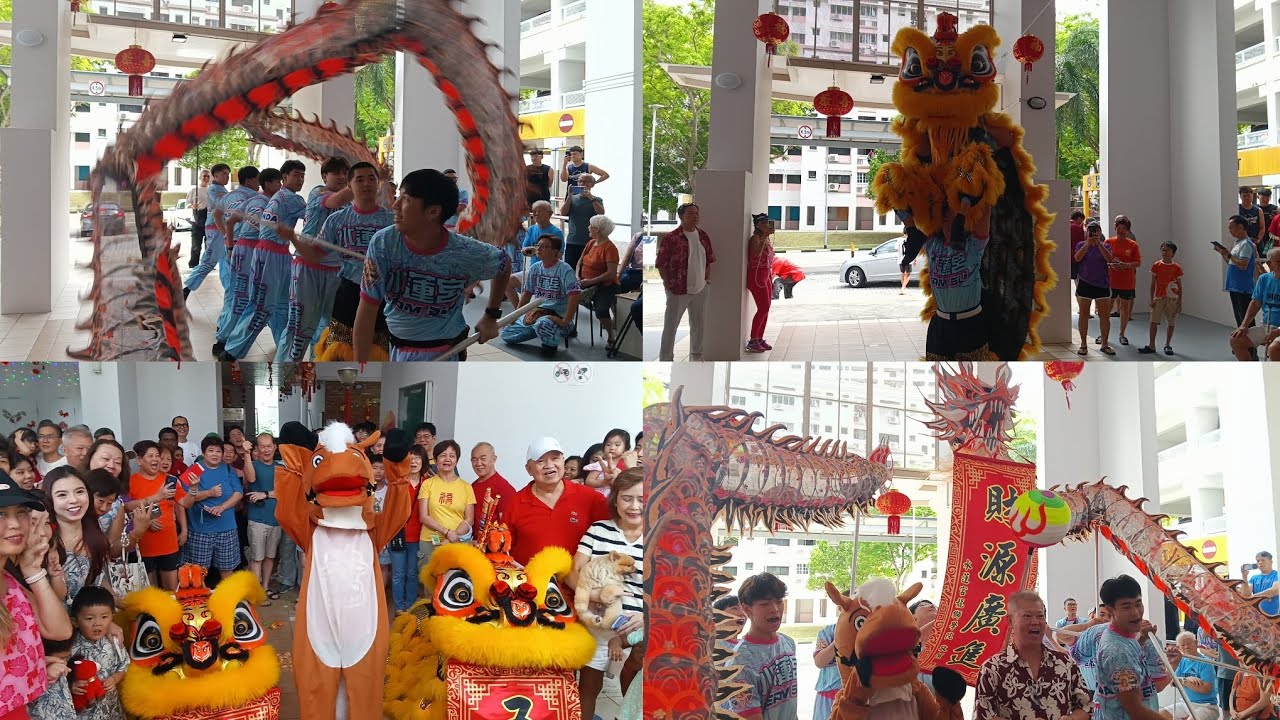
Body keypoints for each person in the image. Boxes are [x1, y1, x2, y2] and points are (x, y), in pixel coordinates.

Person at [355, 168, 511, 362]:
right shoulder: (383, 243)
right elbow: (367, 309)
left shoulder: (464, 252)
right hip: (396, 349)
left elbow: (504, 263)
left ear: (433, 211)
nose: (394, 205)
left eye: (405, 199)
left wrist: (491, 315)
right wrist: (360, 370)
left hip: (445, 354)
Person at [1, 469, 74, 719]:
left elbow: (59, 630)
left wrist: (33, 570)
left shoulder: (9, 582)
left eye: (20, 513)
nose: (14, 524)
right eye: (0, 514)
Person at [572, 468, 645, 720]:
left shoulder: (659, 537)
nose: (634, 506)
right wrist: (595, 596)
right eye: (627, 498)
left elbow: (668, 591)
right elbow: (574, 572)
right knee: (589, 687)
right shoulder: (598, 531)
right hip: (599, 624)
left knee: (636, 691)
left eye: (642, 499)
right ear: (615, 499)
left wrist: (647, 618)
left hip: (639, 626)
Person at [223, 159, 308, 360]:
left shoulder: (277, 197)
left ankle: (283, 351)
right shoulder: (290, 198)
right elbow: (313, 216)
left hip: (278, 253)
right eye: (296, 175)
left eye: (302, 176)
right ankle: (231, 350)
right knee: (262, 306)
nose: (300, 180)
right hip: (269, 254)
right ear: (284, 177)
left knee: (282, 306)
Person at [276, 157, 354, 363]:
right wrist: (365, 183)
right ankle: (285, 371)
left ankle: (318, 366)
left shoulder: (350, 204)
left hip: (335, 270)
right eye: (336, 173)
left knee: (333, 326)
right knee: (300, 327)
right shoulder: (318, 192)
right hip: (308, 266)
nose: (342, 177)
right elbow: (335, 200)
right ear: (324, 176)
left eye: (345, 173)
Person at [974, 590, 1091, 720]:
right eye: (1027, 616)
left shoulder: (1065, 663)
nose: (1035, 622)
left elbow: (1086, 706)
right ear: (1010, 621)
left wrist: (1072, 719)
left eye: (1040, 616)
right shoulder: (992, 669)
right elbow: (982, 715)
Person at [899, 199, 994, 359]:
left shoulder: (973, 244)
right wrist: (909, 224)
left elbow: (986, 204)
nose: (947, 219)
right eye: (943, 216)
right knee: (940, 379)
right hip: (940, 327)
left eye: (952, 214)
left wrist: (964, 204)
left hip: (971, 325)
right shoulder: (931, 244)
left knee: (975, 380)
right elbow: (900, 201)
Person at [505, 437, 610, 567]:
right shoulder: (514, 503)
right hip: (531, 584)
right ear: (529, 469)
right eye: (540, 461)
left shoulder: (589, 497)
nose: (549, 465)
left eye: (555, 458)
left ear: (563, 462)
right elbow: (504, 552)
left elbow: (621, 525)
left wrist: (617, 486)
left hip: (577, 584)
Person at [213, 168, 280, 357]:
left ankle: (223, 337)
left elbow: (218, 215)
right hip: (252, 249)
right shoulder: (260, 199)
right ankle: (228, 340)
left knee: (235, 294)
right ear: (251, 180)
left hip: (236, 246)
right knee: (255, 296)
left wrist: (227, 239)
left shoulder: (229, 196)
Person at [1093, 574, 1170, 720]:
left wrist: (1142, 639)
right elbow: (1136, 711)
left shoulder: (1122, 637)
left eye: (1138, 604)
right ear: (1110, 609)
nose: (1135, 612)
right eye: (1126, 607)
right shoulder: (1117, 651)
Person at [723, 572, 798, 720]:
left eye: (779, 601)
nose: (775, 609)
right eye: (765, 604)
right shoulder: (739, 663)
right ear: (747, 609)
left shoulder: (788, 643)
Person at [178, 437, 246, 587]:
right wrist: (208, 493)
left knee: (227, 570)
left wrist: (222, 507)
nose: (215, 454)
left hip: (227, 529)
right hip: (200, 530)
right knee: (197, 573)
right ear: (203, 452)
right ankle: (199, 605)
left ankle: (225, 602)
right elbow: (183, 500)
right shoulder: (195, 469)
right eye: (211, 451)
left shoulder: (227, 469)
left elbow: (238, 493)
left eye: (218, 451)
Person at [500, 234, 581, 355]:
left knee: (543, 325)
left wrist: (565, 320)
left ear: (555, 251)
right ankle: (538, 329)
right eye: (538, 245)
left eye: (543, 246)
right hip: (539, 311)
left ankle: (553, 340)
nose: (538, 248)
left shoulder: (565, 270)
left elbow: (575, 295)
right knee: (507, 334)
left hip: (558, 314)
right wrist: (515, 316)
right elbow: (527, 294)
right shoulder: (535, 268)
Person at [41, 467, 110, 606]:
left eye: (79, 492)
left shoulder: (95, 532)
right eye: (62, 495)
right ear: (49, 499)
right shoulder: (44, 541)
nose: (73, 500)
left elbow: (97, 579)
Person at [656, 203, 715, 362]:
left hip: (701, 288)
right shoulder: (672, 238)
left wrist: (707, 280)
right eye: (690, 213)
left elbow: (709, 260)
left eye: (696, 213)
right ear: (681, 216)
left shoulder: (703, 236)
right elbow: (661, 263)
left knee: (698, 325)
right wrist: (667, 284)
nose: (695, 216)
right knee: (671, 327)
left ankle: (697, 355)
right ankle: (666, 358)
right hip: (678, 289)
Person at [128, 442, 186, 591]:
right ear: (140, 460)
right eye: (151, 456)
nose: (156, 459)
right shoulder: (131, 482)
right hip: (144, 543)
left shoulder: (170, 480)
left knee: (171, 588)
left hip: (168, 541)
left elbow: (184, 503)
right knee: (150, 589)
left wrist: (193, 490)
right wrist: (146, 520)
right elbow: (125, 509)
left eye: (157, 456)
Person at [68, 585, 128, 720]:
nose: (98, 624)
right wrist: (71, 684)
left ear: (112, 617)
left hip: (110, 709)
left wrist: (114, 679)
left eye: (104, 617)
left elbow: (123, 666)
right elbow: (62, 674)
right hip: (84, 712)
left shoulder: (114, 642)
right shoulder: (71, 647)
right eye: (89, 619)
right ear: (75, 621)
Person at [416, 440, 475, 571]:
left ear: (457, 461)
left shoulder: (466, 487)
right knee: (430, 584)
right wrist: (447, 532)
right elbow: (424, 516)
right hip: (430, 540)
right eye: (443, 455)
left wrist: (454, 536)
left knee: (454, 584)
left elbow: (469, 519)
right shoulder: (427, 484)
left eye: (452, 456)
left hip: (457, 541)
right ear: (436, 460)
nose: (447, 459)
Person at [388, 445, 427, 612]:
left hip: (418, 537)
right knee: (398, 575)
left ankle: (410, 607)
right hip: (398, 535)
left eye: (418, 458)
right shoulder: (398, 482)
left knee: (412, 574)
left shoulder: (428, 483)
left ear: (423, 461)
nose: (414, 461)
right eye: (410, 458)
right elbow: (388, 511)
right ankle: (399, 607)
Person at [183, 163, 230, 298]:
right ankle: (186, 289)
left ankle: (229, 292)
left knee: (225, 262)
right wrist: (226, 232)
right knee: (209, 261)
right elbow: (219, 210)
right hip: (216, 229)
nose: (227, 176)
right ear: (215, 176)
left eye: (228, 173)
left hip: (221, 229)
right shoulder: (214, 190)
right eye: (224, 173)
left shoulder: (221, 189)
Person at [245, 433, 282, 605]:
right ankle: (256, 593)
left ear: (275, 447)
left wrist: (264, 494)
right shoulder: (252, 464)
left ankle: (265, 587)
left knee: (270, 557)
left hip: (275, 519)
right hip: (257, 520)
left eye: (269, 446)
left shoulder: (281, 467)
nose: (266, 450)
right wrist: (245, 454)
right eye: (262, 446)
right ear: (257, 449)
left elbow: (285, 492)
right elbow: (251, 478)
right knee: (257, 558)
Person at [577, 214, 622, 346]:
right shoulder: (590, 243)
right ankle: (567, 328)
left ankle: (611, 336)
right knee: (565, 299)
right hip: (584, 283)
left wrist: (591, 282)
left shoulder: (610, 248)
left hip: (605, 286)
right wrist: (577, 277)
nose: (588, 227)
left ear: (597, 229)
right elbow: (580, 261)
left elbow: (611, 273)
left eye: (591, 225)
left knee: (601, 310)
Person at [1229, 247, 1280, 361]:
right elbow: (1255, 303)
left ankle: (1274, 377)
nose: (1268, 263)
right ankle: (1251, 374)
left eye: (1272, 261)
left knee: (1274, 349)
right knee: (1236, 340)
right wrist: (1244, 325)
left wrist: (1277, 332)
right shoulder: (1264, 279)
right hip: (1268, 326)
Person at [1075, 221, 1117, 355]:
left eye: (1096, 231)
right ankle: (1083, 344)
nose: (1093, 234)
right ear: (1086, 233)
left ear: (1100, 233)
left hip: (1102, 284)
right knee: (1084, 315)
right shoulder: (1081, 245)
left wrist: (1099, 244)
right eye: (1090, 231)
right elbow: (1077, 258)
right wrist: (1088, 244)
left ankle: (1104, 344)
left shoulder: (1106, 246)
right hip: (1085, 283)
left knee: (1104, 316)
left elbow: (1109, 259)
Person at [1135, 241, 1184, 356]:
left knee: (1171, 322)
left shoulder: (1177, 268)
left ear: (1173, 253)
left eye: (1167, 250)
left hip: (1172, 299)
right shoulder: (1156, 265)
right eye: (1163, 249)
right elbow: (1153, 284)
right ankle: (1152, 345)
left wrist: (1180, 302)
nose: (1164, 252)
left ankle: (1167, 345)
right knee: (1153, 322)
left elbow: (1180, 286)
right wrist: (1151, 299)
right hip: (1159, 298)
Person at [1160, 631, 1218, 720]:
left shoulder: (1206, 663)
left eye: (1189, 643)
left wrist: (1185, 682)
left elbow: (1205, 689)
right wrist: (1188, 679)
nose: (1186, 647)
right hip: (1185, 704)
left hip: (1206, 706)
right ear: (1178, 647)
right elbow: (1173, 683)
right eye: (1183, 645)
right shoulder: (1181, 661)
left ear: (1196, 643)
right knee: (1160, 715)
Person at [1105, 216, 1142, 347]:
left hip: (1127, 282)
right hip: (1110, 281)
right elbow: (1102, 259)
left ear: (1127, 230)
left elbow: (1138, 262)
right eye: (1118, 228)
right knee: (1106, 309)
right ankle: (1104, 335)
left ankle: (1122, 334)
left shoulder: (1133, 245)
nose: (1120, 231)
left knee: (1124, 309)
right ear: (1115, 229)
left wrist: (1126, 265)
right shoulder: (1108, 242)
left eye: (1123, 229)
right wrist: (1110, 265)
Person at [559, 174, 605, 271]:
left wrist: (591, 198)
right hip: (573, 240)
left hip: (589, 240)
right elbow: (563, 212)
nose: (582, 184)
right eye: (580, 181)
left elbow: (601, 213)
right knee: (569, 268)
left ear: (592, 184)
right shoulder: (573, 198)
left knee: (587, 269)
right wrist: (569, 196)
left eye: (585, 181)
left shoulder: (597, 199)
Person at [745, 213, 775, 354]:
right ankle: (753, 340)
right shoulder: (755, 238)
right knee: (762, 307)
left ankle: (759, 337)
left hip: (766, 274)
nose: (766, 225)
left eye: (767, 223)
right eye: (763, 223)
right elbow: (756, 253)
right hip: (757, 275)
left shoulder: (766, 239)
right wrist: (764, 236)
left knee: (767, 307)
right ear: (757, 225)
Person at [469, 443, 516, 522]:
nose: (478, 463)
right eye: (474, 459)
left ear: (494, 459)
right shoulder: (472, 487)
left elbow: (507, 526)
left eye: (483, 458)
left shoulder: (504, 488)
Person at [812, 622, 841, 720]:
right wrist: (838, 640)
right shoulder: (827, 632)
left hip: (856, 695)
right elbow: (819, 662)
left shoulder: (864, 630)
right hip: (827, 694)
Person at [1239, 551, 1279, 615]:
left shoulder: (1277, 574)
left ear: (1271, 562)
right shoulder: (1254, 578)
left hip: (1274, 616)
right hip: (1256, 616)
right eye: (1258, 561)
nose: (1260, 563)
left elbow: (1275, 590)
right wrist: (1244, 576)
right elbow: (1245, 594)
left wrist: (1252, 597)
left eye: (1263, 560)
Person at [186, 168, 211, 268]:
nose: (206, 178)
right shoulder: (193, 190)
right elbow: (187, 203)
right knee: (196, 245)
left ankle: (207, 264)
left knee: (208, 244)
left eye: (208, 176)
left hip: (209, 218)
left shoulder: (211, 190)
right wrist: (193, 205)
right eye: (204, 176)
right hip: (197, 219)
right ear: (200, 177)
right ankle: (194, 264)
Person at [1069, 210, 1086, 289]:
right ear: (1079, 218)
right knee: (1078, 282)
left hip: (1065, 257)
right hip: (1076, 257)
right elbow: (1082, 243)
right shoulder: (1078, 228)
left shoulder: (1065, 226)